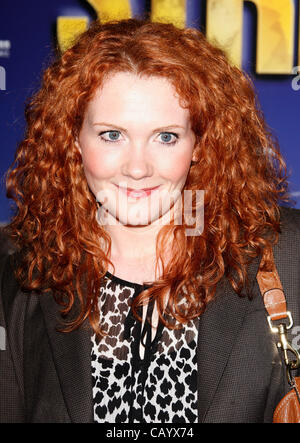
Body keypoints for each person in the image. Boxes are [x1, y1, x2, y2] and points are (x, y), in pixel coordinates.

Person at [0, 17, 299, 424]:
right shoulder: (19, 268)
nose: (137, 168)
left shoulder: (288, 255)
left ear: (199, 143)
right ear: (73, 139)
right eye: (111, 135)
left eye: (166, 137)